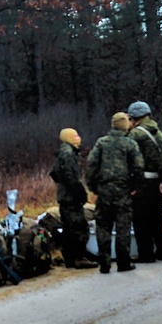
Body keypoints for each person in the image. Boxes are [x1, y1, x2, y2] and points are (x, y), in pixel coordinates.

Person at [85, 114, 145, 274]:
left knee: (103, 226)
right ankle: (123, 262)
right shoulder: (130, 144)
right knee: (123, 226)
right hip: (123, 190)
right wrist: (135, 186)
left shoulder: (101, 143)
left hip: (104, 191)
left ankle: (104, 263)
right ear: (125, 126)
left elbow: (90, 165)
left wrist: (93, 187)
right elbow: (139, 167)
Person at [127, 101, 162, 263]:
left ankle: (146, 253)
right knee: (157, 217)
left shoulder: (135, 135)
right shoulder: (159, 133)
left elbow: (132, 160)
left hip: (141, 182)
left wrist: (133, 185)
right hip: (157, 181)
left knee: (140, 219)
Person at [49, 128, 94, 269]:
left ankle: (70, 259)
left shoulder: (63, 153)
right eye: (75, 135)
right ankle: (79, 257)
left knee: (68, 229)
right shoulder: (68, 154)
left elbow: (54, 173)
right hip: (71, 198)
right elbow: (72, 177)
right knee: (79, 227)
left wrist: (62, 186)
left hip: (65, 197)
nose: (78, 138)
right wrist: (80, 192)